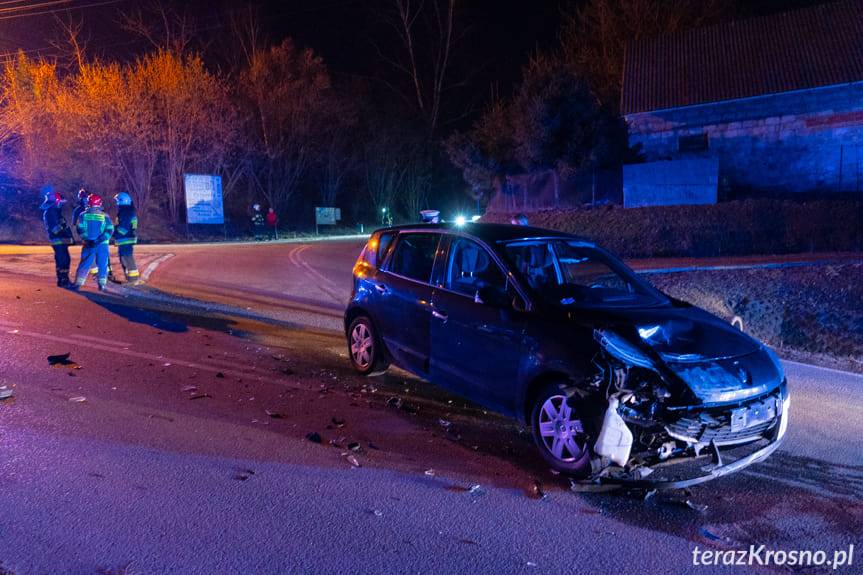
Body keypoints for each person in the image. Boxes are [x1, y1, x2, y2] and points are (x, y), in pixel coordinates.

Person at [73, 194, 114, 292]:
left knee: (85, 263)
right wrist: (100, 239)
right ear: (100, 203)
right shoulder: (105, 216)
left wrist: (87, 239)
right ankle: (102, 285)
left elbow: (80, 228)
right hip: (102, 244)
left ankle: (78, 284)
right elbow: (109, 230)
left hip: (88, 244)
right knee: (103, 264)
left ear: (88, 203)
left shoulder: (82, 215)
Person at [39, 186, 74, 288]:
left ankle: (62, 279)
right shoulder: (52, 212)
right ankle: (64, 280)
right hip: (58, 240)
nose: (61, 205)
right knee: (64, 260)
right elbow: (55, 229)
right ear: (56, 201)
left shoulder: (53, 211)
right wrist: (63, 227)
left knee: (62, 260)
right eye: (60, 202)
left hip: (59, 240)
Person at [113, 192, 140, 284]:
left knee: (126, 258)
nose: (117, 203)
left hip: (125, 239)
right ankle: (131, 278)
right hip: (127, 238)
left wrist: (114, 233)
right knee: (125, 257)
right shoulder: (129, 210)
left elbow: (123, 228)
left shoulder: (125, 212)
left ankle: (133, 279)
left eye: (117, 201)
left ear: (122, 201)